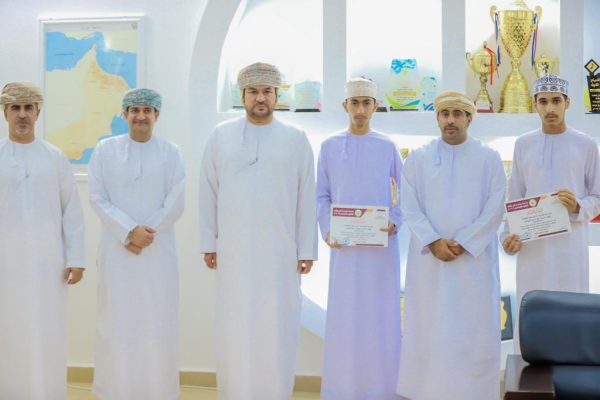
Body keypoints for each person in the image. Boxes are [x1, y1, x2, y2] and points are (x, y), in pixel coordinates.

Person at [198, 62, 317, 400]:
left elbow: (306, 196)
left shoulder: (296, 139)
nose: (260, 98)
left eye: (267, 92)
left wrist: (306, 249)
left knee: (277, 327)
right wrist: (209, 243)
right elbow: (208, 192)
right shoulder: (221, 136)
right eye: (253, 92)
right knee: (234, 326)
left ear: (277, 95)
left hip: (280, 253)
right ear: (242, 95)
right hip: (233, 251)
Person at [397, 91, 505, 400]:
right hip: (429, 264)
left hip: (474, 263)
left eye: (458, 114)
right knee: (429, 328)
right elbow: (409, 205)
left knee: (474, 330)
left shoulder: (489, 158)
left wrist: (466, 241)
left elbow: (496, 205)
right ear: (437, 118)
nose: (451, 120)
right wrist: (432, 240)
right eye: (445, 114)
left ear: (470, 118)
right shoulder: (418, 158)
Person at [88, 88, 185, 400]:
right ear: (124, 114)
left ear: (157, 115)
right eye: (134, 110)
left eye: (147, 110)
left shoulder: (171, 152)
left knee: (157, 322)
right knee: (116, 322)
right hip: (117, 253)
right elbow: (97, 197)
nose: (140, 116)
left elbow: (176, 200)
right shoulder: (105, 150)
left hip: (158, 254)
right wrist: (129, 232)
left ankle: (157, 391)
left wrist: (146, 233)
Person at [317, 77, 402, 400]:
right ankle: (342, 390)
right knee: (345, 319)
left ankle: (381, 390)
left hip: (380, 252)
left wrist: (394, 221)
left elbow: (406, 193)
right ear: (345, 106)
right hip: (345, 251)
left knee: (380, 317)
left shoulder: (387, 146)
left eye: (366, 103)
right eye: (355, 103)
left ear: (375, 106)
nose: (360, 110)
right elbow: (321, 196)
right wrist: (328, 229)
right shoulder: (329, 147)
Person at [0, 82, 85, 399]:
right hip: (6, 266)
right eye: (15, 108)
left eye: (28, 108)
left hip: (48, 265)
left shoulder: (55, 158)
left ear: (38, 113)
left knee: (47, 331)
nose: (22, 115)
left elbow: (72, 211)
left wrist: (76, 259)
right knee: (8, 332)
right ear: (5, 113)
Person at [502, 75, 600, 349]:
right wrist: (508, 237)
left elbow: (598, 196)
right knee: (533, 314)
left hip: (570, 247)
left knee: (570, 313)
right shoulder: (523, 144)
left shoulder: (586, 144)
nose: (550, 108)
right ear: (534, 105)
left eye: (556, 101)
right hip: (532, 249)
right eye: (543, 102)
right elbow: (516, 196)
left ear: (568, 102)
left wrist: (578, 205)